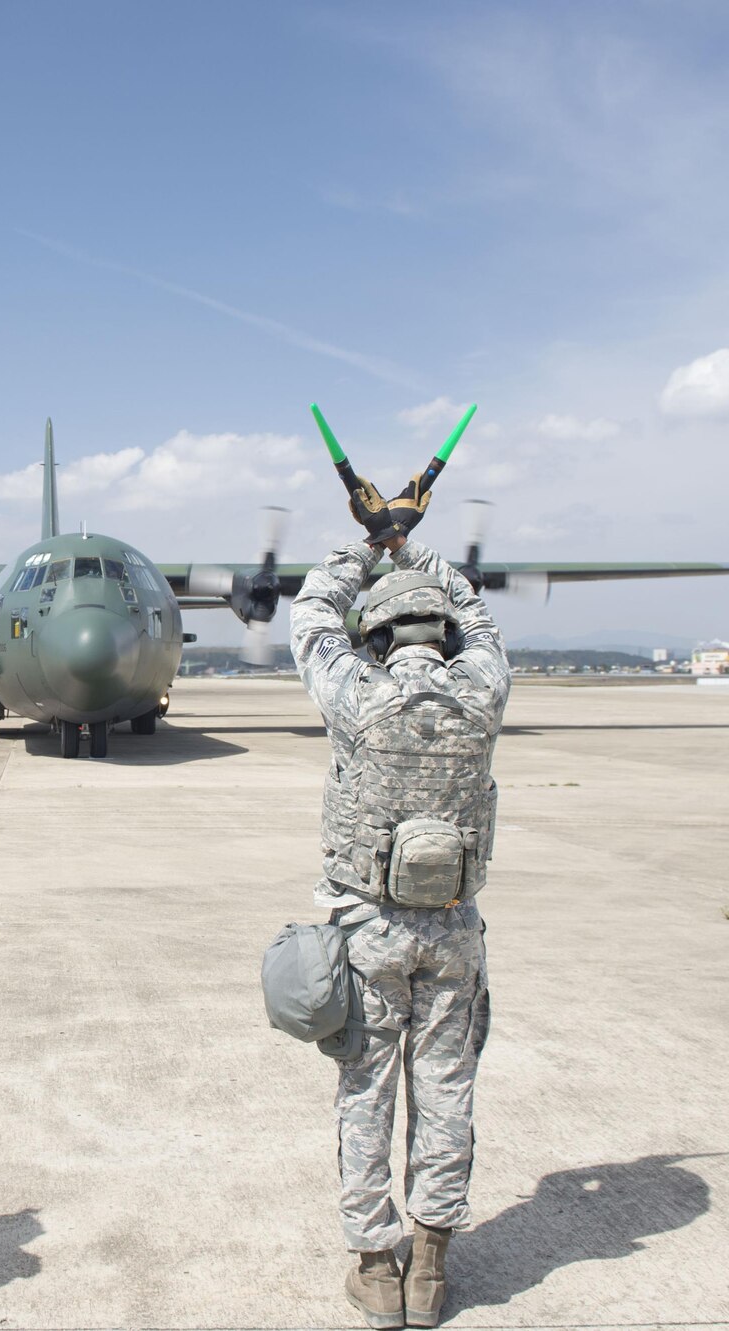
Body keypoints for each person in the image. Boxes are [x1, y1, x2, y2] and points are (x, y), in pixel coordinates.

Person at [289, 490, 511, 1329]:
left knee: (365, 1091)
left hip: (368, 928)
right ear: (443, 638)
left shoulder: (356, 693)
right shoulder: (482, 689)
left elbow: (312, 613)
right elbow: (478, 617)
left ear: (375, 639)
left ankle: (378, 1267)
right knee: (448, 1088)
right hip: (453, 929)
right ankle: (433, 1265)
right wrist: (417, 551)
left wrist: (369, 544)